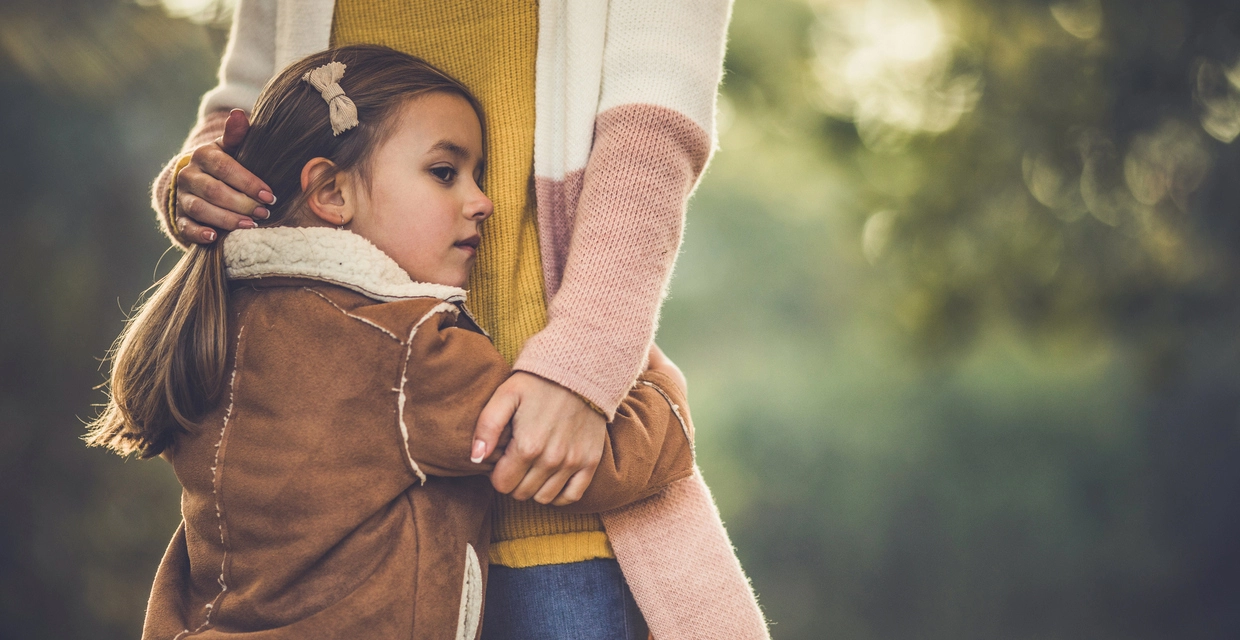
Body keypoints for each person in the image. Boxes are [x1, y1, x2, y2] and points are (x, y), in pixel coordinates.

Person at [151, 2, 768, 638]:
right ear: (330, 193)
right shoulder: (410, 352)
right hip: (548, 498)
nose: (484, 203)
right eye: (446, 174)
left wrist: (584, 360)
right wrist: (659, 401)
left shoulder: (220, 333)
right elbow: (243, 116)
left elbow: (655, 125)